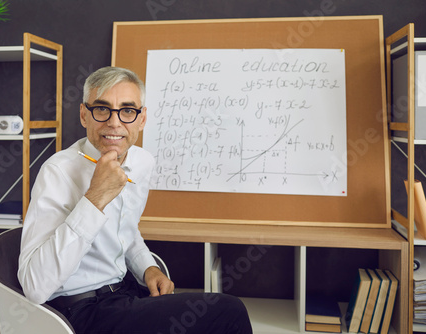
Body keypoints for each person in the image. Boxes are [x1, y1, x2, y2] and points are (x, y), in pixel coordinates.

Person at [18, 66, 253, 334]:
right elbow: (34, 286)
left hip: (126, 292)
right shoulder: (57, 171)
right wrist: (95, 198)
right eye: (102, 109)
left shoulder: (142, 162)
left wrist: (147, 268)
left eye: (127, 111)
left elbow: (126, 231)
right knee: (228, 312)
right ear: (84, 115)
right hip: (79, 311)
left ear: (141, 120)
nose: (114, 123)